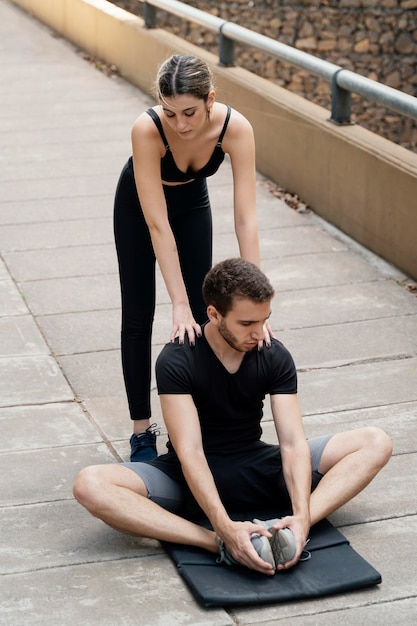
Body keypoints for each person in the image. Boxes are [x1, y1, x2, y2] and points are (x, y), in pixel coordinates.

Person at [73, 258, 392, 576]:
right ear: (213, 313)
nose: (259, 332)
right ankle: (215, 542)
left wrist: (302, 515)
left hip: (257, 469)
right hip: (186, 480)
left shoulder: (272, 353)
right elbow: (190, 453)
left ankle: (298, 525)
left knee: (375, 442)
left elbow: (293, 443)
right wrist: (223, 529)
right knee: (90, 484)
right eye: (246, 324)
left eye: (264, 319)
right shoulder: (177, 358)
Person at [114, 54, 266, 462]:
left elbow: (246, 219)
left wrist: (256, 305)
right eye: (170, 112)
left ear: (211, 99)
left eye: (189, 112)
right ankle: (141, 432)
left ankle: (196, 425)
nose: (180, 123)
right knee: (139, 313)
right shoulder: (146, 130)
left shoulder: (236, 129)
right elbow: (158, 226)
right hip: (139, 207)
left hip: (192, 201)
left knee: (206, 312)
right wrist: (176, 303)